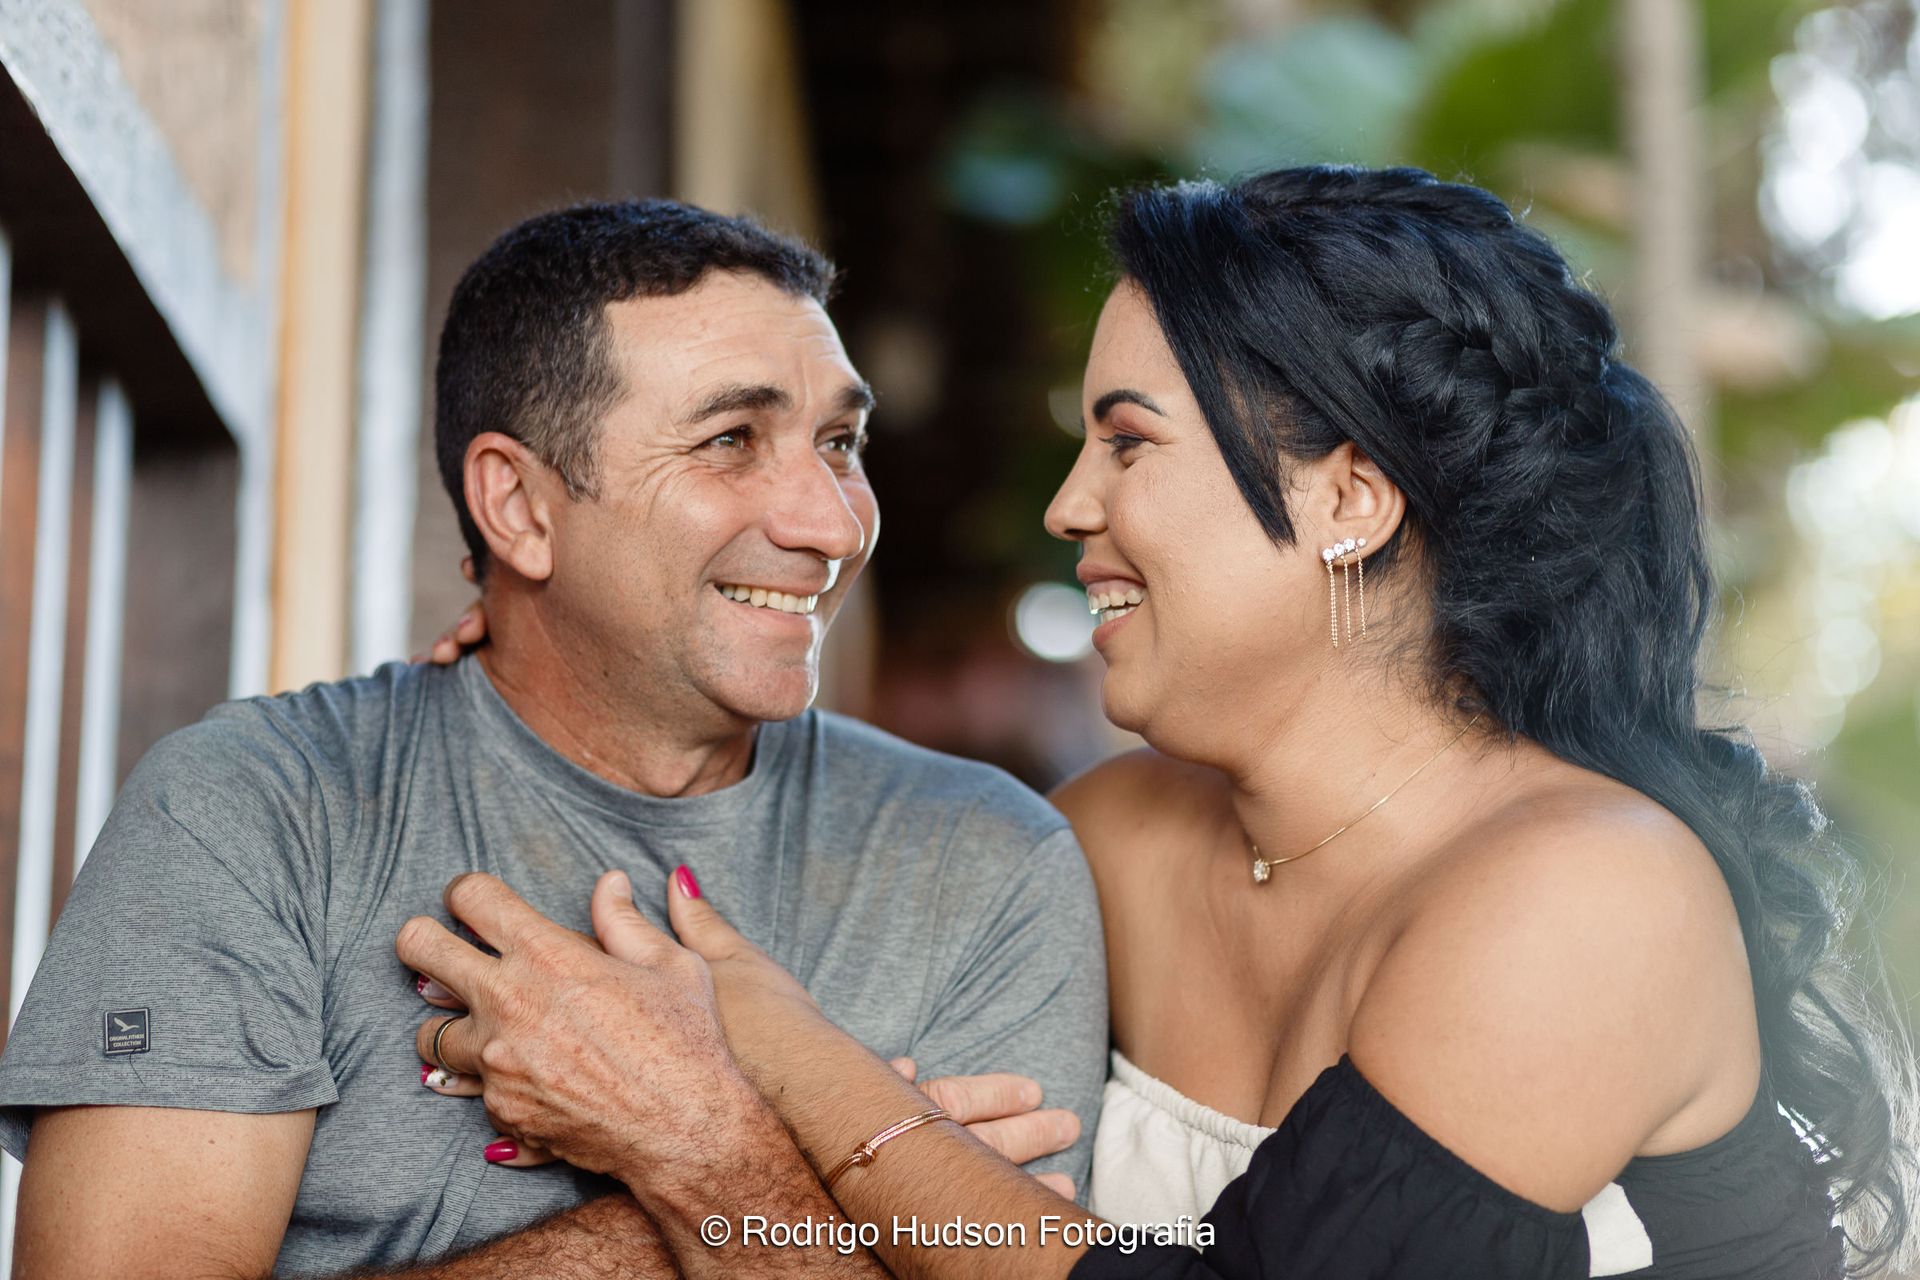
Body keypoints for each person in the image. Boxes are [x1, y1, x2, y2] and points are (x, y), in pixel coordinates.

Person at [401, 167, 1918, 1278]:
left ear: (1351, 499)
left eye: (1128, 441)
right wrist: (583, 644)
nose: (1071, 508)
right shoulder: (1108, 845)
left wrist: (787, 1054)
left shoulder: (1585, 898)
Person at [0, 201, 1108, 1278]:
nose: (830, 522)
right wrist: (754, 1166)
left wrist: (701, 1140)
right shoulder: (254, 807)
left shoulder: (986, 860)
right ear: (519, 507)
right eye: (731, 439)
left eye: (838, 441)